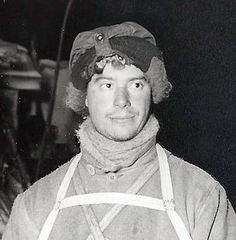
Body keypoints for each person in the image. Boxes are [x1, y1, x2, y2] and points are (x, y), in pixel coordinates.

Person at [2, 22, 236, 240]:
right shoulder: (34, 206)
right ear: (84, 98)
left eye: (136, 84)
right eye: (107, 85)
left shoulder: (201, 197)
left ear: (151, 93)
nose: (122, 101)